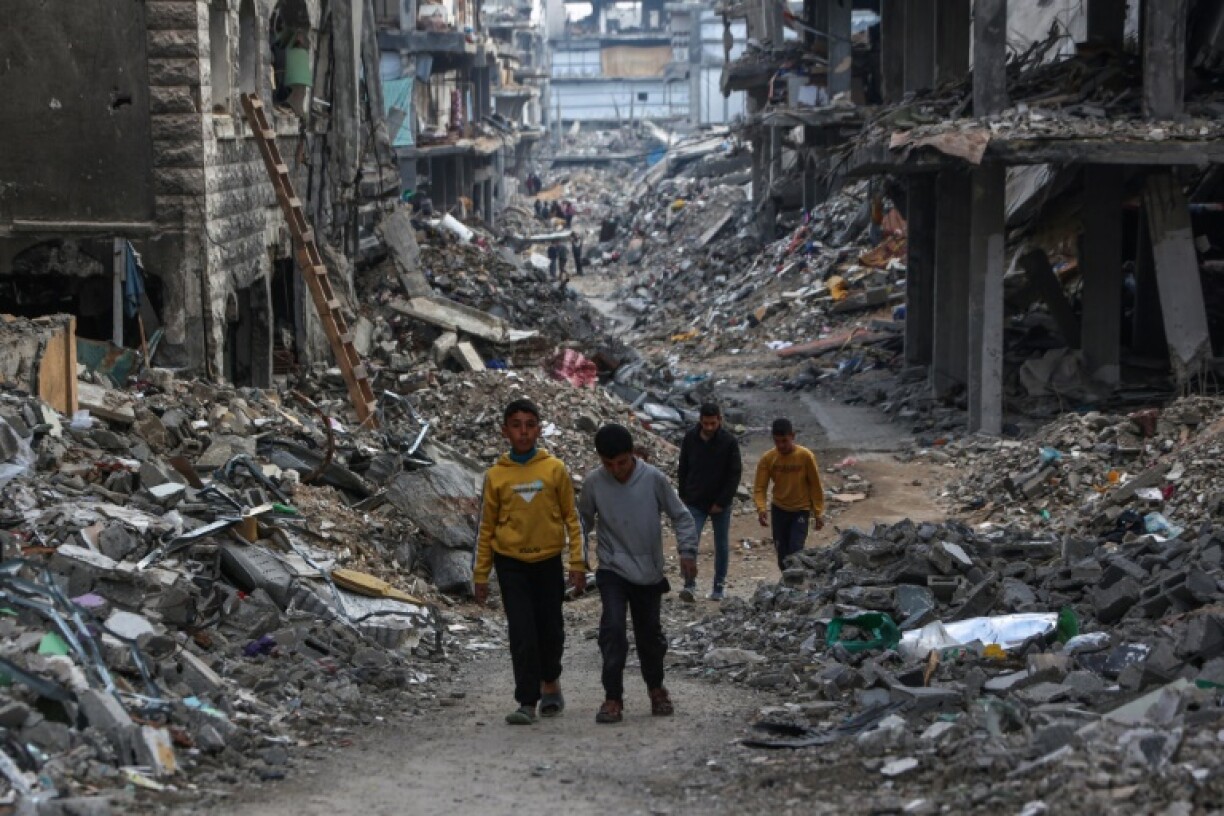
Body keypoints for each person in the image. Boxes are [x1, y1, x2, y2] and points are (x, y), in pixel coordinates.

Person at [472, 399, 587, 725]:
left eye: (530, 424)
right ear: (505, 430)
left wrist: (577, 563)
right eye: (516, 425)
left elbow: (572, 519)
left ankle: (551, 682)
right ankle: (526, 700)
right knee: (522, 633)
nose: (523, 432)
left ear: (539, 428)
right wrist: (480, 574)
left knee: (551, 630)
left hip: (548, 562)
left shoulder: (555, 470)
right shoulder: (496, 476)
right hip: (510, 565)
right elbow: (486, 528)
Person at [579, 424, 698, 724]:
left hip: (648, 571)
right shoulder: (594, 483)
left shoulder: (654, 479)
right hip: (612, 568)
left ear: (632, 454)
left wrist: (687, 551)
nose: (616, 470)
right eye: (608, 464)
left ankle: (656, 689)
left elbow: (681, 516)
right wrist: (576, 561)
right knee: (613, 630)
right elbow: (580, 522)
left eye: (621, 462)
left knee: (649, 636)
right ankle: (613, 697)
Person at [676, 403, 742, 602]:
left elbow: (734, 474)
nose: (709, 427)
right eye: (706, 423)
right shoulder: (690, 438)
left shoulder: (729, 442)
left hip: (720, 503)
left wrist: (722, 501)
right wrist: (684, 494)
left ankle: (719, 585)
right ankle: (689, 585)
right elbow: (683, 467)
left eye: (713, 423)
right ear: (700, 421)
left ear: (719, 420)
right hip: (695, 501)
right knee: (690, 543)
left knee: (721, 545)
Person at [753, 418, 825, 571]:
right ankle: (787, 586)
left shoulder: (806, 457)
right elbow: (760, 487)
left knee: (796, 551)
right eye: (777, 441)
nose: (781, 446)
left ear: (793, 436)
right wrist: (761, 508)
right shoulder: (768, 459)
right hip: (779, 510)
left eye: (784, 441)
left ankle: (795, 585)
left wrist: (818, 512)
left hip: (801, 510)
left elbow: (815, 485)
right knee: (782, 555)